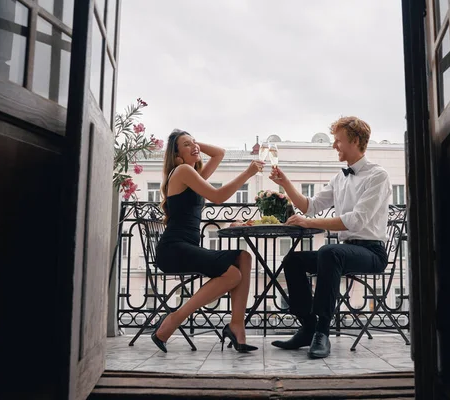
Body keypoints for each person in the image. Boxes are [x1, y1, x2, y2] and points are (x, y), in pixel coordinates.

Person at [268, 116, 392, 359]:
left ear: (355, 141)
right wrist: (286, 183)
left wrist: (308, 223)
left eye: (338, 141)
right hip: (344, 253)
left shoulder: (377, 176)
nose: (334, 145)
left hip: (372, 253)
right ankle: (308, 326)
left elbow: (355, 221)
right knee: (293, 259)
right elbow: (310, 206)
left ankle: (322, 332)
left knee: (329, 252)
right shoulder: (339, 178)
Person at [151, 129, 265, 353]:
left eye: (195, 142)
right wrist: (248, 173)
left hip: (186, 248)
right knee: (233, 274)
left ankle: (236, 326)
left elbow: (219, 153)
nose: (195, 146)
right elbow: (219, 197)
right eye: (186, 145)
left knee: (244, 258)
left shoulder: (192, 175)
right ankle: (174, 319)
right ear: (176, 156)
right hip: (173, 249)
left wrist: (191, 144)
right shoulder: (182, 170)